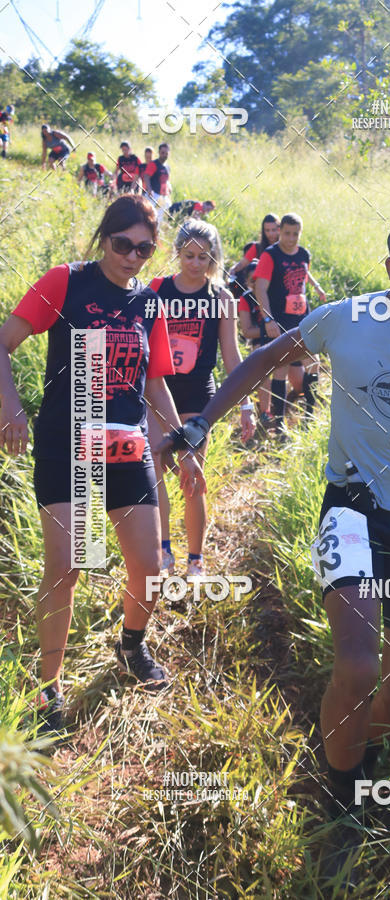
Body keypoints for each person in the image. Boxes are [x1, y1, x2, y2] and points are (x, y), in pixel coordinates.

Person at [156, 201, 390, 872]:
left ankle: (350, 760)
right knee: (358, 665)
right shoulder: (346, 320)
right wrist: (200, 425)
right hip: (351, 508)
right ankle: (341, 800)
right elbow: (260, 360)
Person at [0, 195, 203, 737]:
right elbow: (4, 342)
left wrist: (180, 445)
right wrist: (12, 409)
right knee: (67, 565)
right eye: (122, 245)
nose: (132, 257)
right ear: (104, 238)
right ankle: (49, 685)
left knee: (150, 571)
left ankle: (130, 646)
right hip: (68, 444)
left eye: (144, 248)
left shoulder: (148, 304)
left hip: (126, 448)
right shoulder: (67, 282)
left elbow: (155, 381)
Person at [147, 219, 255, 579]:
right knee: (155, 471)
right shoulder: (156, 290)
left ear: (213, 258)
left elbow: (231, 355)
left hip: (197, 398)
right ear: (177, 253)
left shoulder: (221, 298)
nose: (196, 263)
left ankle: (195, 559)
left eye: (204, 257)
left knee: (191, 474)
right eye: (189, 255)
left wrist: (245, 404)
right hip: (158, 393)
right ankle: (163, 552)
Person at [253, 212, 326, 432]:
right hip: (278, 320)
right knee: (281, 370)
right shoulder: (270, 255)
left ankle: (309, 416)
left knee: (313, 363)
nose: (291, 238)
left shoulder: (304, 254)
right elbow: (260, 289)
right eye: (287, 233)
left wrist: (317, 289)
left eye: (295, 234)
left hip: (302, 319)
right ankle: (279, 422)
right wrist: (268, 319)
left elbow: (303, 279)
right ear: (280, 232)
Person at [237, 259, 274, 429]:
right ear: (247, 282)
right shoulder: (246, 299)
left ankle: (291, 399)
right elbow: (247, 331)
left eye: (259, 279)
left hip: (279, 337)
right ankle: (265, 411)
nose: (256, 284)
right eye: (253, 281)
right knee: (263, 369)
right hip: (261, 341)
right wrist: (269, 329)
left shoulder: (273, 293)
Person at [228, 213, 280, 297]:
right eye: (267, 230)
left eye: (273, 230)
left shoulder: (284, 248)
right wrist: (233, 269)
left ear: (279, 230)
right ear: (263, 231)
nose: (270, 234)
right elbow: (241, 264)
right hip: (259, 288)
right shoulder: (257, 247)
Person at [142, 142, 171, 224]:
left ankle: (156, 234)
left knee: (159, 218)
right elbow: (146, 176)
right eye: (162, 153)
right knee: (148, 216)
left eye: (166, 153)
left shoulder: (167, 167)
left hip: (163, 196)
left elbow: (166, 181)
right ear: (159, 152)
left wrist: (168, 190)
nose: (164, 155)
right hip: (153, 194)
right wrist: (149, 189)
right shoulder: (153, 164)